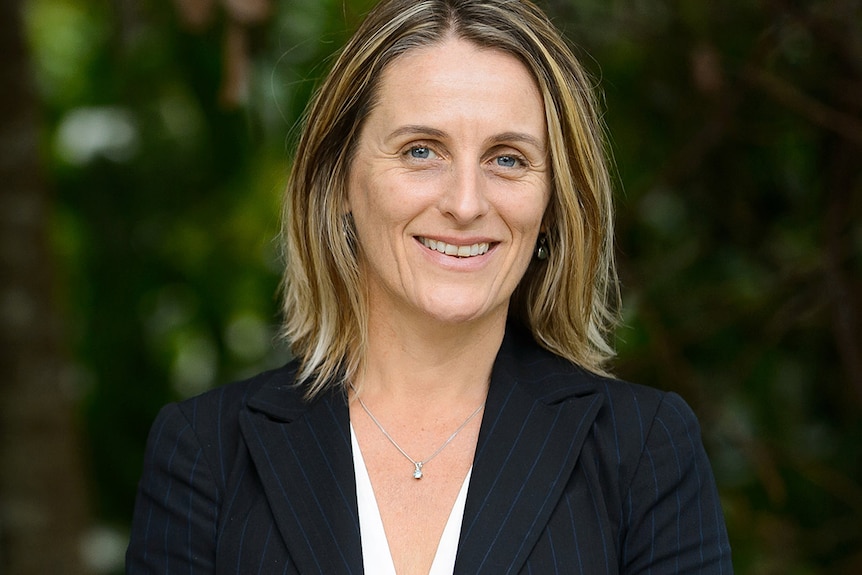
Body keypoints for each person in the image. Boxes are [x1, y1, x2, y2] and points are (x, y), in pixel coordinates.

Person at [126, 0, 732, 573]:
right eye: (422, 150)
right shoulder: (206, 452)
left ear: (552, 203)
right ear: (338, 181)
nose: (466, 204)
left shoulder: (644, 450)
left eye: (508, 159)